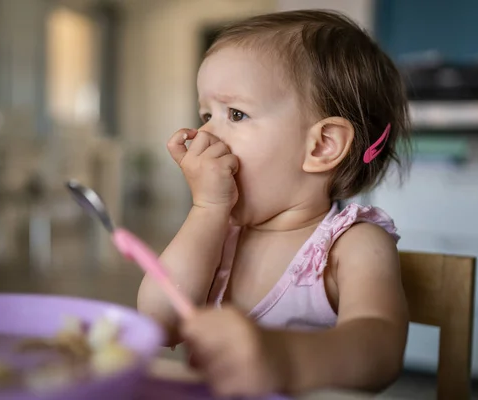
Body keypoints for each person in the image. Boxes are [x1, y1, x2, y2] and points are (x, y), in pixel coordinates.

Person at [137, 9, 411, 398]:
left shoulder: (352, 245)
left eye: (235, 114)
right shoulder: (219, 235)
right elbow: (156, 322)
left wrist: (284, 358)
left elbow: (380, 351)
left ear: (322, 146)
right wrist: (206, 211)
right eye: (205, 115)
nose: (205, 136)